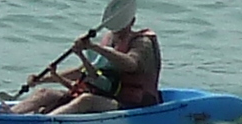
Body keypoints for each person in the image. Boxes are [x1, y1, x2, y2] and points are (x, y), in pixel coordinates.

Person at [16, 12, 159, 115]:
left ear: (132, 21)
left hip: (132, 104)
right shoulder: (108, 40)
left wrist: (94, 47)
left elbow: (131, 64)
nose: (119, 29)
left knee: (86, 100)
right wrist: (41, 79)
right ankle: (9, 114)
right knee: (44, 93)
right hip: (104, 97)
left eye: (124, 23)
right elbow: (82, 71)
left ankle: (44, 123)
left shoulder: (142, 42)